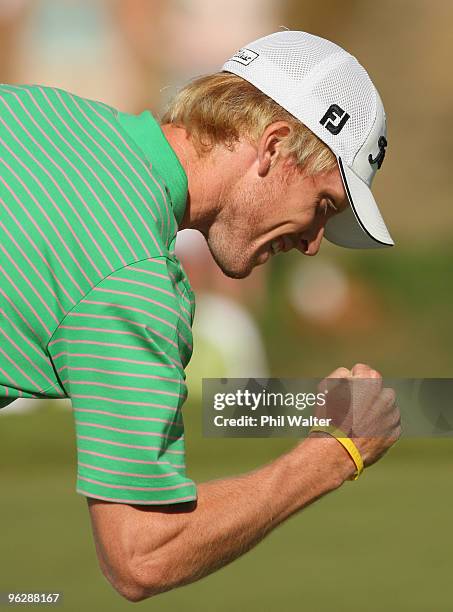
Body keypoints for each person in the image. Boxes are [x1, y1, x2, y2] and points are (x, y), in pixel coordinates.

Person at [0, 31, 400, 601]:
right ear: (275, 147)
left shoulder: (46, 112)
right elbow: (142, 553)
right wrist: (335, 455)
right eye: (324, 206)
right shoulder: (136, 281)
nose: (313, 243)